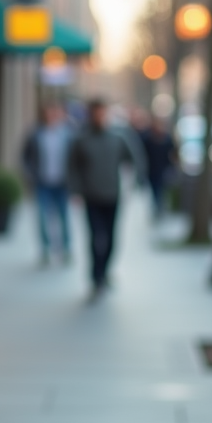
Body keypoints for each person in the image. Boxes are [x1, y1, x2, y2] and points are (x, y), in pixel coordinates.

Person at [67, 98, 142, 297]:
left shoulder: (118, 138)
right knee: (94, 237)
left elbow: (134, 158)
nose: (99, 117)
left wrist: (137, 180)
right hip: (91, 196)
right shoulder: (81, 140)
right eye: (96, 113)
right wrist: (75, 190)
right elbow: (72, 167)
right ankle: (96, 276)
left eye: (102, 113)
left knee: (111, 238)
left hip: (113, 195)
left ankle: (105, 270)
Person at [21, 102, 73, 265]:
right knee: (43, 218)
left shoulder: (67, 135)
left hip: (62, 184)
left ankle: (65, 249)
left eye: (54, 113)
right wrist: (30, 176)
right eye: (48, 113)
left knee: (64, 218)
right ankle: (45, 250)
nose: (51, 117)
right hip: (42, 183)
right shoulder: (36, 134)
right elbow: (25, 157)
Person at [139, 115, 177, 216]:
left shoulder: (167, 139)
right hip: (152, 170)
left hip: (163, 169)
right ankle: (158, 206)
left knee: (161, 189)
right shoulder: (147, 139)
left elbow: (173, 153)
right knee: (155, 189)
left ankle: (160, 207)